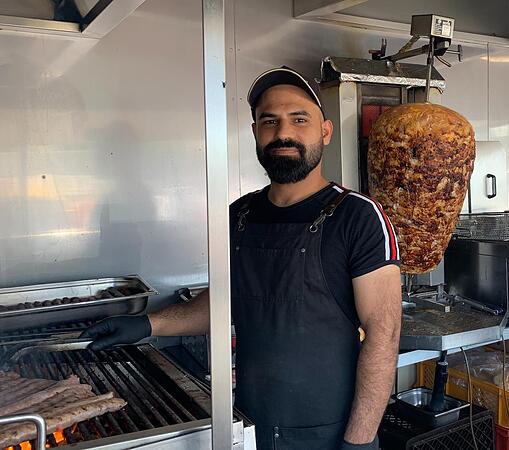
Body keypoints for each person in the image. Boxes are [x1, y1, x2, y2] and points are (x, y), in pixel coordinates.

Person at [81, 67, 402, 450]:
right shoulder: (239, 215)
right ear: (255, 133)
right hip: (249, 425)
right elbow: (226, 303)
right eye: (270, 121)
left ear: (326, 131)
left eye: (299, 119)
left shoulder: (359, 216)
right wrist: (147, 325)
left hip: (330, 433)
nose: (283, 133)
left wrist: (360, 440)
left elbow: (384, 334)